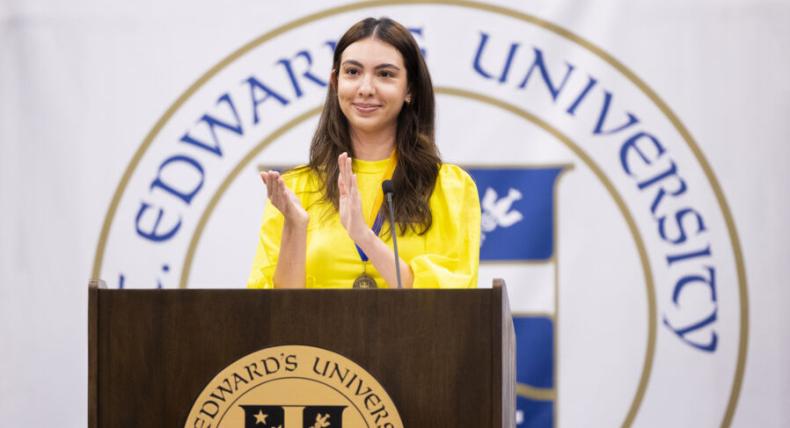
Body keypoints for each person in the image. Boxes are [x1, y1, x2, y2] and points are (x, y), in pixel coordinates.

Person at [247, 17, 480, 289]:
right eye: (353, 72)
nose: (366, 89)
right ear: (335, 82)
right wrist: (295, 227)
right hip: (319, 333)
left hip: (412, 333)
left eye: (385, 74)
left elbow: (453, 304)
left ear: (410, 89)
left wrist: (363, 236)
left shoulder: (449, 187)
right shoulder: (295, 188)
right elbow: (277, 316)